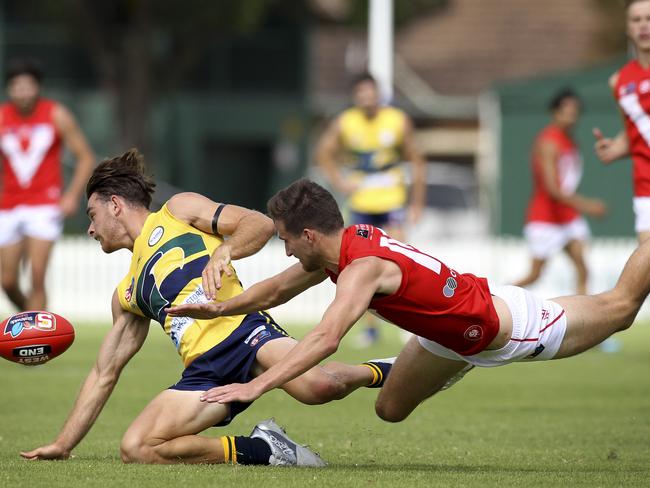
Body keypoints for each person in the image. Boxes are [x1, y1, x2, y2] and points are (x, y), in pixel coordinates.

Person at [167, 178, 648, 427]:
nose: (287, 249)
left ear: (309, 234)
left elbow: (326, 338)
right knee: (389, 410)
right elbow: (273, 290)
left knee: (622, 308)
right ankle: (391, 368)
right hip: (444, 336)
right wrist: (218, 309)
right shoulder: (340, 246)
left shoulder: (360, 268)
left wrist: (258, 387)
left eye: (289, 240)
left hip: (505, 327)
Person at [20, 150, 393, 466]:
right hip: (205, 373)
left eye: (91, 215)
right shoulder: (127, 294)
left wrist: (224, 251)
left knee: (318, 387)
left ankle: (383, 369)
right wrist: (63, 443)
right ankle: (263, 449)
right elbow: (105, 372)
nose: (90, 228)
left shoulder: (176, 212)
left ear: (115, 205)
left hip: (245, 333)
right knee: (137, 448)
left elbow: (258, 224)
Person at [316, 72, 427, 346]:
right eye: (361, 93)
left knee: (402, 259)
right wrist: (339, 181)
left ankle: (410, 323)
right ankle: (370, 329)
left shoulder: (397, 120)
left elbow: (417, 159)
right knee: (357, 265)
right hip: (361, 201)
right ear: (355, 96)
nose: (367, 98)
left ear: (378, 94)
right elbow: (323, 151)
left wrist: (417, 203)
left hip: (392, 198)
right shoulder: (345, 122)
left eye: (371, 92)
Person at [0, 59, 95, 311]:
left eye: (27, 85)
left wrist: (72, 196)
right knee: (7, 281)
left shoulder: (55, 114)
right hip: (8, 204)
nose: (22, 91)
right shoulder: (2, 117)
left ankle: (36, 338)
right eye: (16, 86)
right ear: (9, 89)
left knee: (37, 277)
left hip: (44, 204)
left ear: (38, 87)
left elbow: (85, 157)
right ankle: (31, 319)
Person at [514, 88, 607, 294]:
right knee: (534, 275)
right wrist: (588, 205)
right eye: (567, 111)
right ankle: (493, 299)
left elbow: (568, 182)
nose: (572, 116)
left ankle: (582, 322)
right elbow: (552, 189)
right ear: (555, 112)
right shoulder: (549, 142)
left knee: (583, 269)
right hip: (546, 216)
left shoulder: (571, 141)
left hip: (568, 216)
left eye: (576, 112)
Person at [593, 0, 650, 243]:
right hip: (646, 184)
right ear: (628, 28)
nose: (643, 26)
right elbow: (633, 132)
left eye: (649, 18)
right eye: (636, 20)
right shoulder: (619, 81)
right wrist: (615, 148)